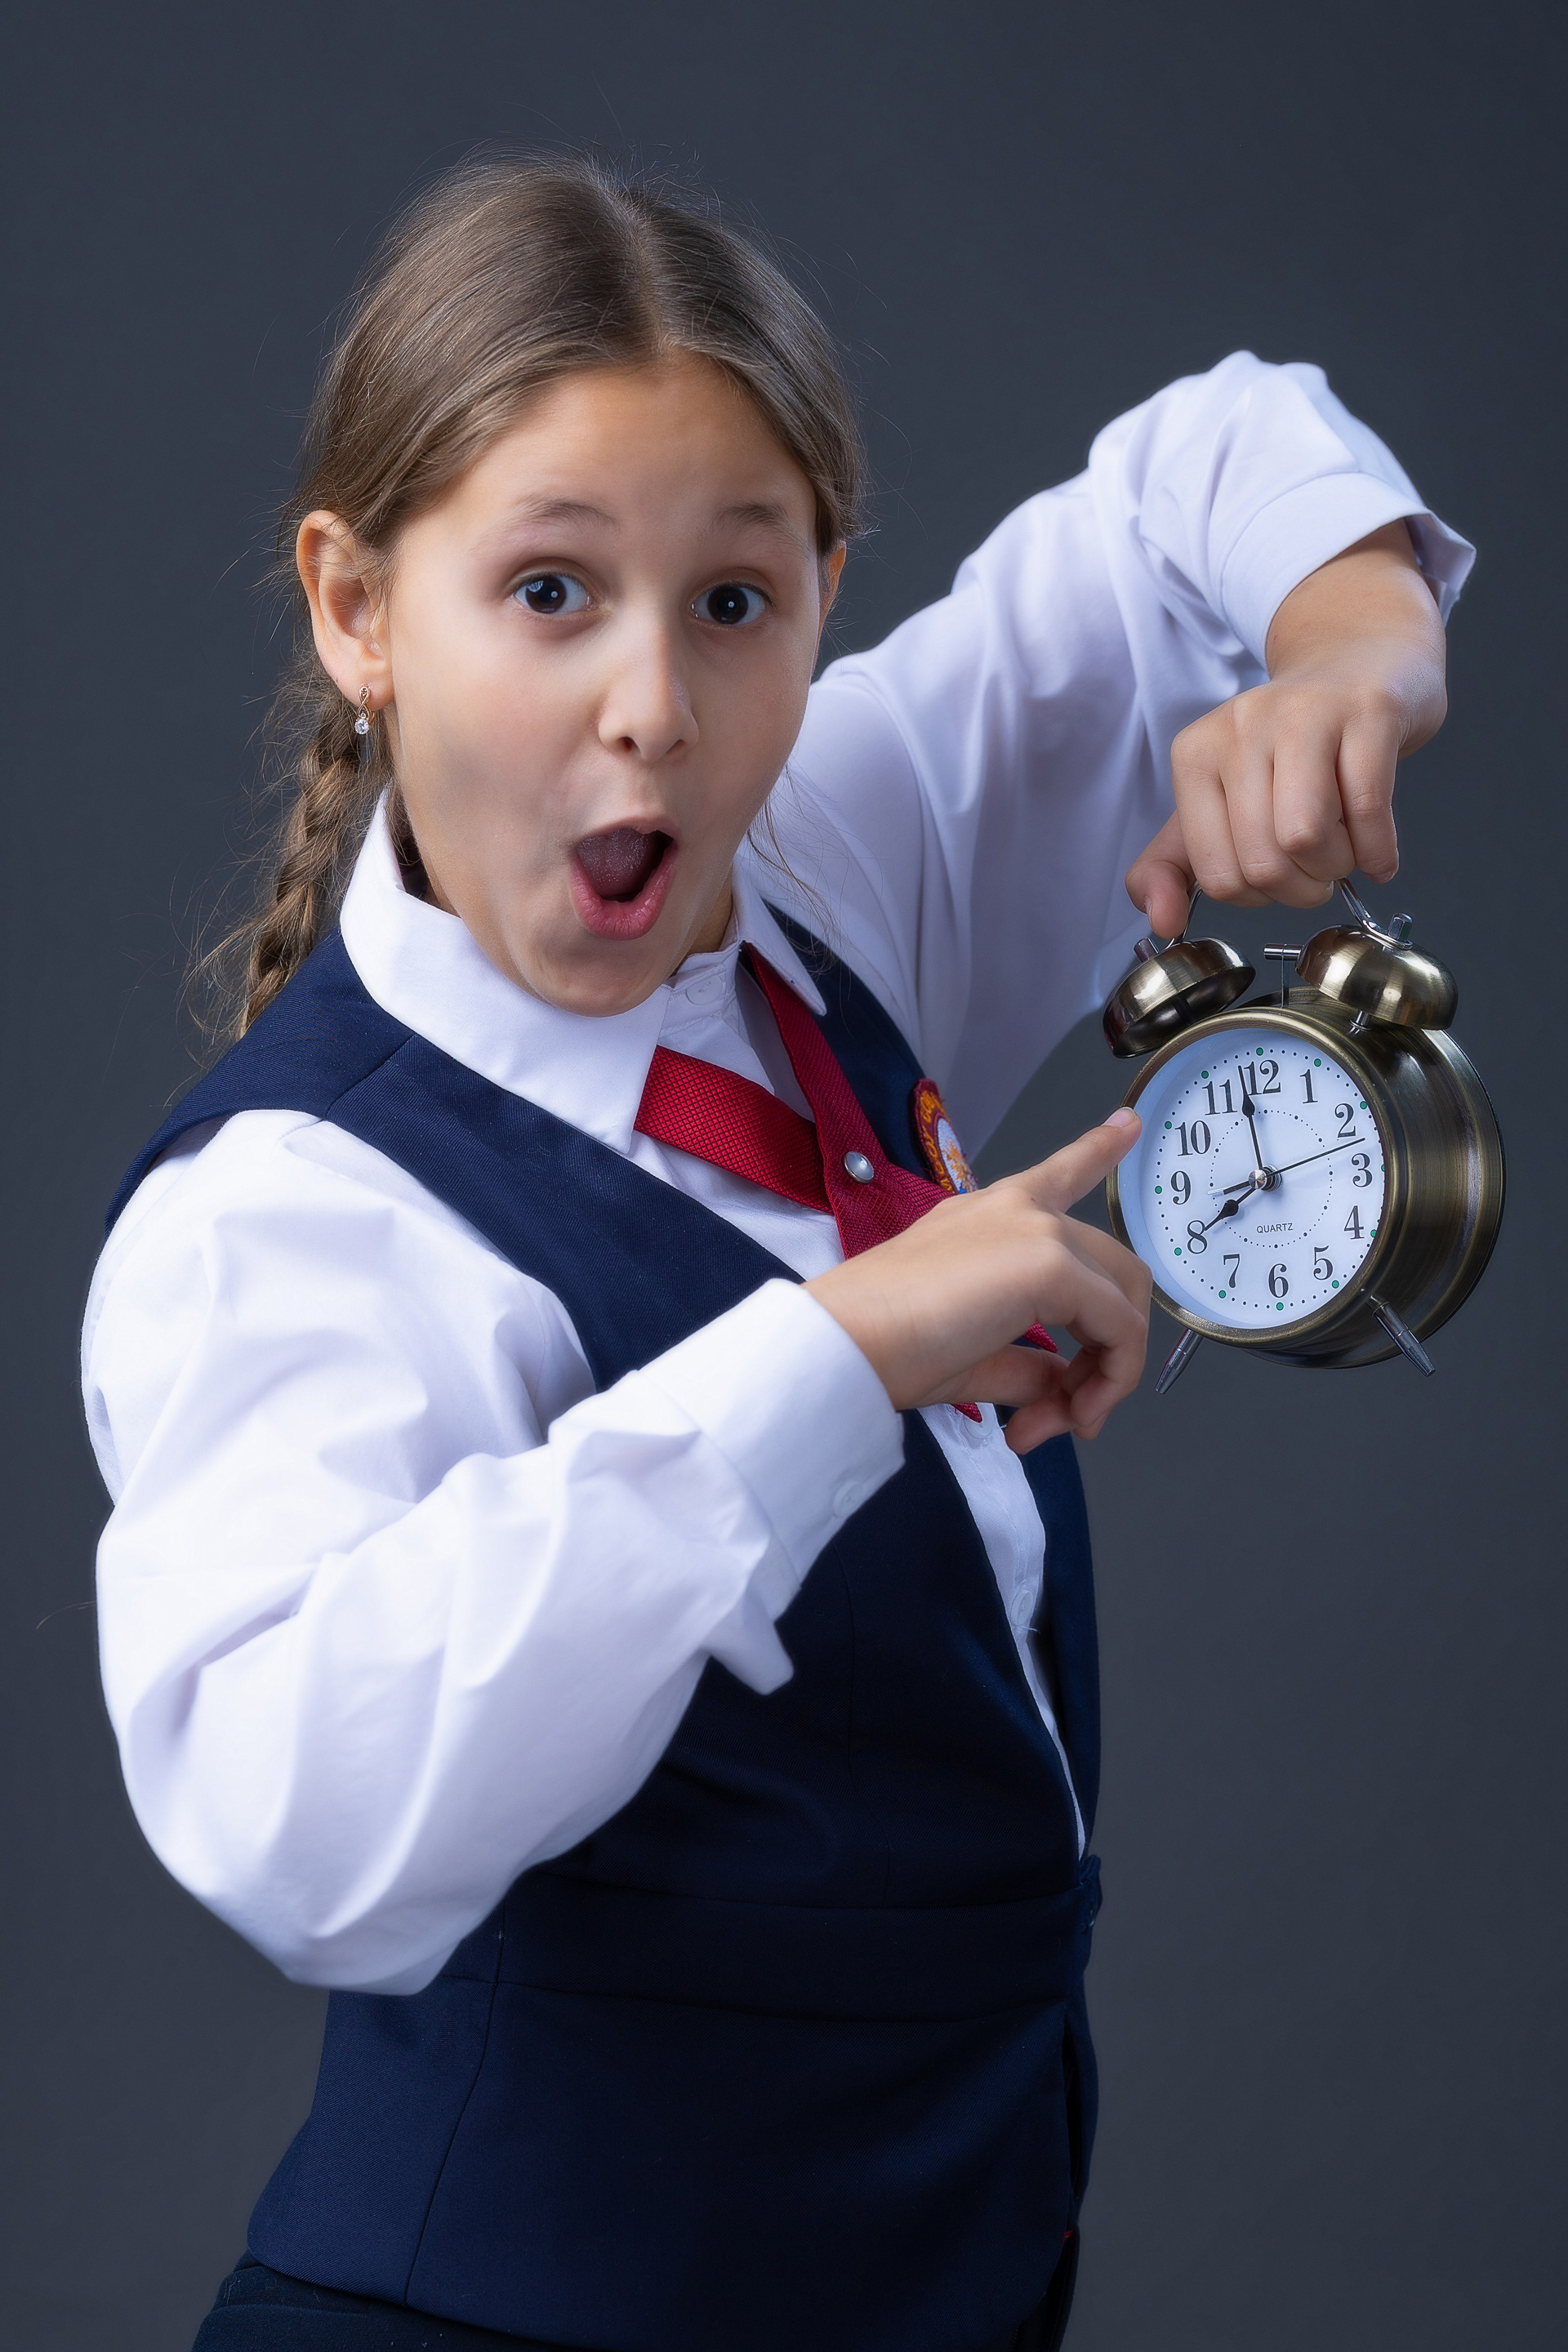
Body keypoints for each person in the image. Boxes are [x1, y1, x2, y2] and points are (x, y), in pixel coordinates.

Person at [82, 154, 1468, 2352]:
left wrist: (1351, 644)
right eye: (550, 590)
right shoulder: (296, 1206)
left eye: (736, 599)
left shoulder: (816, 870)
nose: (655, 702)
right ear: (358, 611)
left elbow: (1208, 468)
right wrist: (832, 1356)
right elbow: (294, 1815)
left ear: (825, 592)